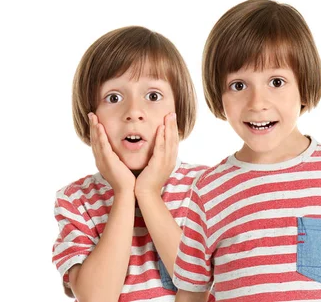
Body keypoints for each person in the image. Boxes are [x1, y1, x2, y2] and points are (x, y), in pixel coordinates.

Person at [173, 0, 321, 302]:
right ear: (218, 94)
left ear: (304, 85)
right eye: (238, 85)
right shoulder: (209, 191)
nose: (257, 102)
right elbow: (190, 293)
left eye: (276, 81)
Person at [52, 26, 208, 301]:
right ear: (90, 116)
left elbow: (202, 289)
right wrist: (124, 192)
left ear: (179, 110)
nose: (134, 112)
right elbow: (95, 297)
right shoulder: (76, 200)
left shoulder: (207, 187)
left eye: (153, 96)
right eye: (114, 98)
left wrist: (148, 193)